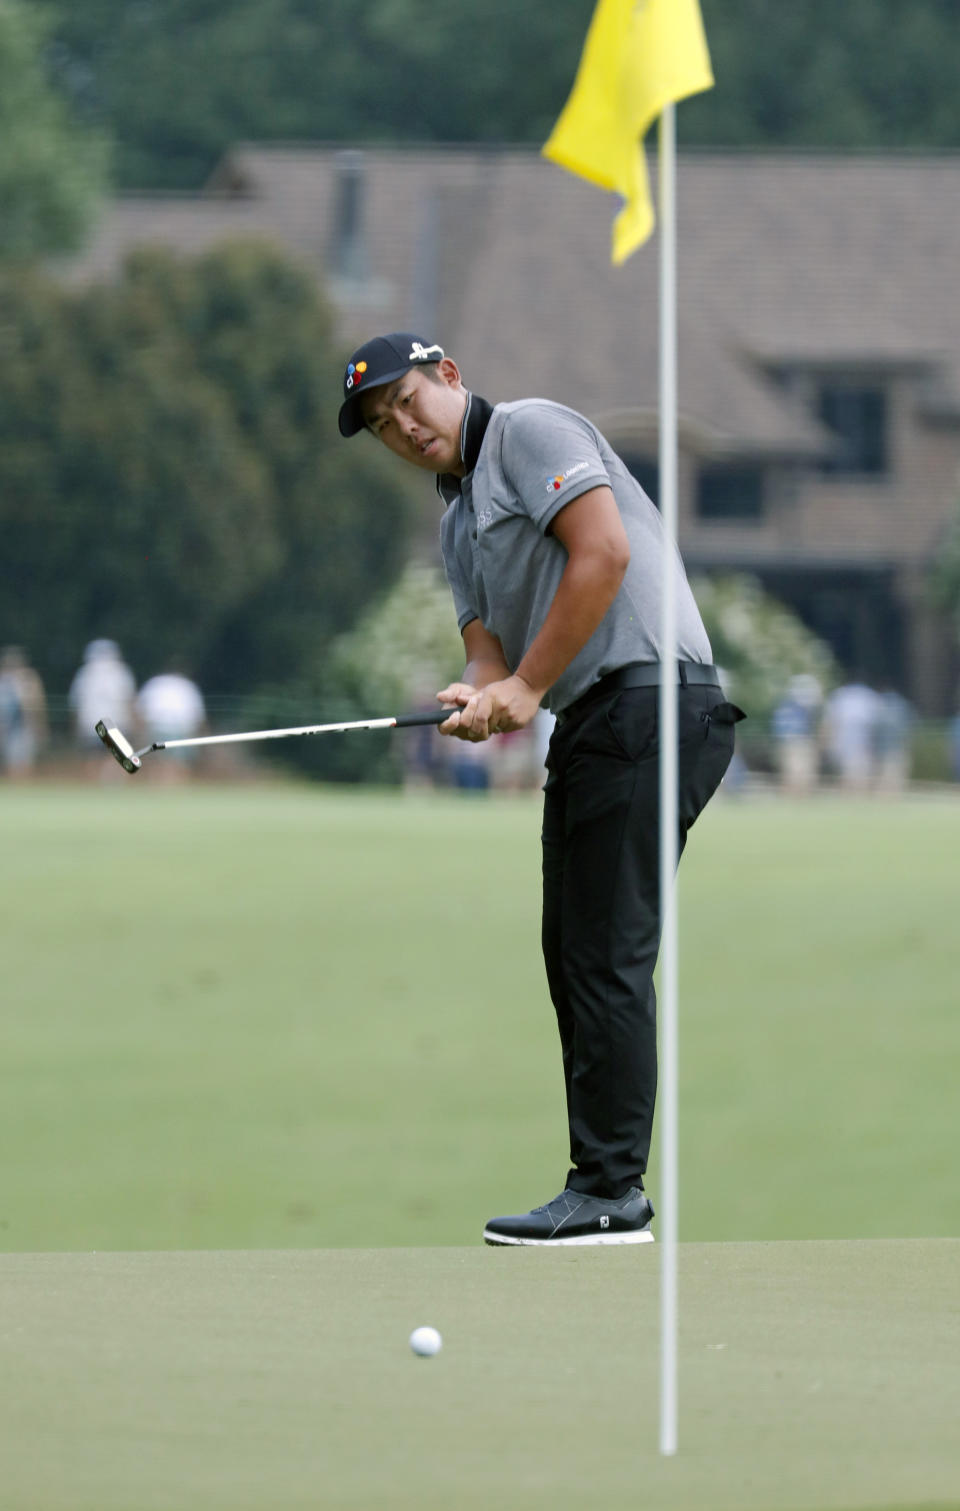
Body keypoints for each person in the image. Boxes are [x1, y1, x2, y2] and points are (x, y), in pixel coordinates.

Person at [338, 333, 743, 1246]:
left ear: (447, 375)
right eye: (379, 423)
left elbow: (602, 554)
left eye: (406, 400)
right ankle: (600, 1183)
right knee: (573, 953)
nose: (401, 427)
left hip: (650, 704)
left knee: (604, 955)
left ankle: (610, 1191)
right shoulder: (454, 522)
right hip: (599, 725)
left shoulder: (529, 430)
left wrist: (524, 690)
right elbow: (488, 649)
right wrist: (483, 691)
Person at [68, 640, 137, 776]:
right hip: (117, 723)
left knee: (92, 759)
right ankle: (113, 786)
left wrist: (75, 726)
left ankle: (94, 788)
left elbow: (75, 703)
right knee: (118, 759)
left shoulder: (84, 674)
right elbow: (129, 700)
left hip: (90, 724)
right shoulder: (121, 672)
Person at [0, 646, 48, 777]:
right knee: (11, 762)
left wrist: (39, 727)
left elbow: (35, 704)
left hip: (25, 728)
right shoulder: (4, 680)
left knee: (25, 761)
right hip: (9, 729)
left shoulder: (28, 679)